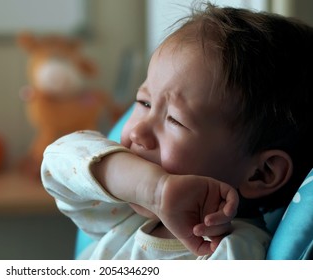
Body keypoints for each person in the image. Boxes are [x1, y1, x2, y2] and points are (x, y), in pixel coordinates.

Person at [41, 2, 313, 260]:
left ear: (260, 173)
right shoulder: (124, 210)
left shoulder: (232, 252)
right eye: (144, 103)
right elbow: (57, 160)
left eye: (174, 120)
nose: (138, 132)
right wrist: (153, 189)